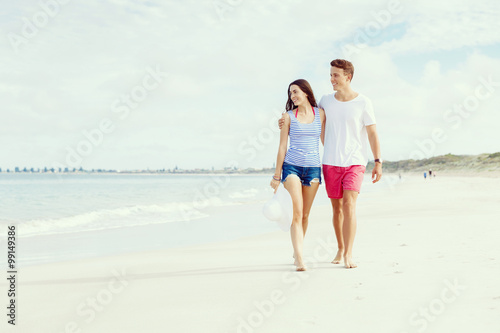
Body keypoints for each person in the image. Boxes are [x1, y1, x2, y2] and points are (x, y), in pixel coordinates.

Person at [279, 59, 382, 269]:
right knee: (337, 209)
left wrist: (378, 161)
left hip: (355, 162)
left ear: (348, 77)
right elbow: (305, 115)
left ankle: (349, 254)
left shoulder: (363, 102)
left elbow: (372, 133)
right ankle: (341, 248)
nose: (331, 79)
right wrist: (283, 122)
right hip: (330, 162)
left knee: (349, 205)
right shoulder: (325, 101)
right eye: (331, 74)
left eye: (336, 75)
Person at [270, 79, 325, 272]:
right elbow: (282, 146)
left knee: (305, 215)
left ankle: (297, 249)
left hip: (313, 170)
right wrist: (277, 175)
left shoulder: (321, 114)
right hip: (291, 167)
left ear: (306, 92)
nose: (292, 96)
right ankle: (300, 258)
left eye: (295, 92)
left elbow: (326, 140)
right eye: (290, 93)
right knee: (297, 213)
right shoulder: (288, 117)